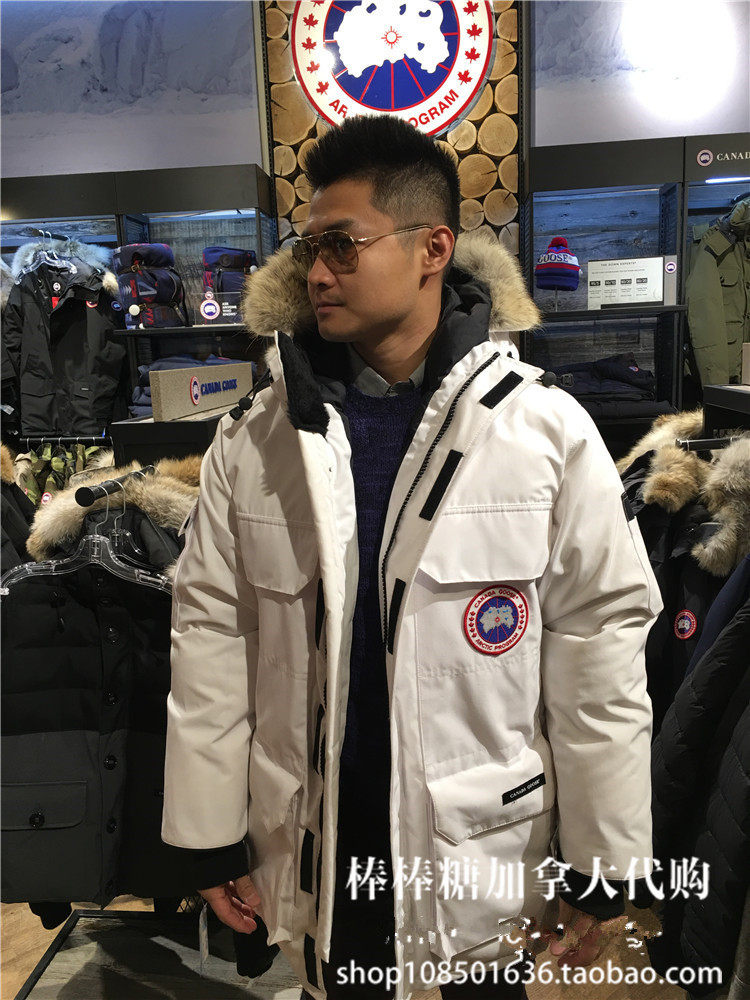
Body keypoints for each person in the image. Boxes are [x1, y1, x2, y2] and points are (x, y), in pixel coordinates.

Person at [162, 115, 662, 1000]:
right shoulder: (256, 439)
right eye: (309, 248)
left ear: (433, 247)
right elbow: (212, 636)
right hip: (316, 854)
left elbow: (599, 656)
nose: (317, 274)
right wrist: (205, 836)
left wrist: (604, 864)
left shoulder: (544, 433)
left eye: (342, 245)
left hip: (481, 869)